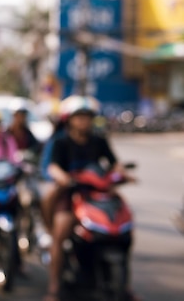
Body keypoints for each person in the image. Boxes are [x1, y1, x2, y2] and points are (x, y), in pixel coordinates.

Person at [42, 95, 137, 301]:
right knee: (61, 231)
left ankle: (126, 287)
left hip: (97, 193)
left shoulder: (99, 140)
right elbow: (53, 166)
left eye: (88, 117)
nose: (84, 121)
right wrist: (63, 178)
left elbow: (113, 163)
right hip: (72, 193)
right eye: (80, 117)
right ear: (69, 119)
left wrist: (122, 174)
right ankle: (54, 288)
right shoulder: (61, 142)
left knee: (123, 228)